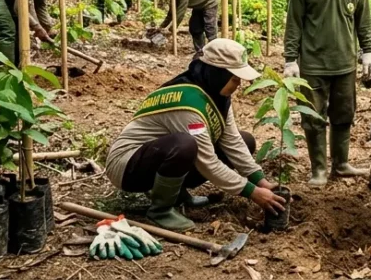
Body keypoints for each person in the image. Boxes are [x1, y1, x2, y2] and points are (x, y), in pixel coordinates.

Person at [104, 39, 284, 231]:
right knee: (185, 145)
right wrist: (252, 192)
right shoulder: (188, 102)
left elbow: (232, 141)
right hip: (127, 166)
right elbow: (207, 162)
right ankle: (160, 210)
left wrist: (260, 180)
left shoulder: (216, 94)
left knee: (245, 140)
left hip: (158, 156)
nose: (238, 85)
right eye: (234, 78)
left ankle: (178, 194)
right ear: (218, 74)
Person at [283, 0, 371, 186]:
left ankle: (342, 163)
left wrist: (368, 51)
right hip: (313, 63)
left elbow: (363, 18)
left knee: (344, 114)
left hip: (345, 62)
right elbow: (295, 23)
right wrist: (290, 59)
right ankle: (319, 170)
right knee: (313, 117)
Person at [153, 0, 219, 55]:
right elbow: (171, 12)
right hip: (198, 5)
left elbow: (181, 11)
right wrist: (161, 27)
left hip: (209, 0)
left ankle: (215, 52)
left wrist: (172, 28)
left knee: (209, 27)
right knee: (195, 28)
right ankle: (200, 51)